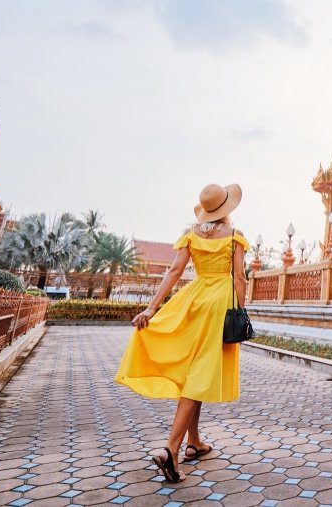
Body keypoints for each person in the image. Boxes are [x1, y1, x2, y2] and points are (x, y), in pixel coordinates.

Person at [115, 183, 249, 482]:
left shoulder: (191, 234)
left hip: (194, 299)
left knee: (193, 372)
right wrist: (240, 312)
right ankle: (171, 450)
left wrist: (152, 309)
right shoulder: (235, 237)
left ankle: (194, 442)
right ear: (226, 210)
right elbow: (239, 277)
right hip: (220, 304)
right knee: (200, 375)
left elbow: (174, 272)